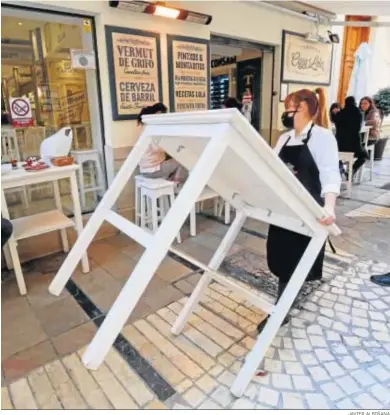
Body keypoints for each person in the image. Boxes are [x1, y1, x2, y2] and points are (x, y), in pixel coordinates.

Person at [257, 89, 341, 333]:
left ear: (302, 107)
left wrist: (329, 207)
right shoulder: (284, 139)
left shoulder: (323, 137)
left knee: (296, 261)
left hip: (307, 210)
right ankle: (282, 303)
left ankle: (280, 311)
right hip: (284, 208)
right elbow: (272, 168)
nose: (285, 113)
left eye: (288, 108)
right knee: (281, 258)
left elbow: (330, 174)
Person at [138, 103, 186, 182]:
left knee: (174, 160)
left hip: (144, 169)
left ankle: (171, 183)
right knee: (182, 160)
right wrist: (172, 146)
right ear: (158, 113)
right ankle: (175, 185)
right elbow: (156, 148)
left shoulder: (145, 127)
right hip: (152, 170)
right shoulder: (152, 129)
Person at [332, 96, 367, 176]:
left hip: (340, 146)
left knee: (336, 155)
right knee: (364, 155)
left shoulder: (341, 113)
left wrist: (334, 113)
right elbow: (358, 128)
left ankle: (341, 170)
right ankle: (352, 170)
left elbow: (335, 121)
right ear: (355, 103)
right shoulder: (359, 113)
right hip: (354, 146)